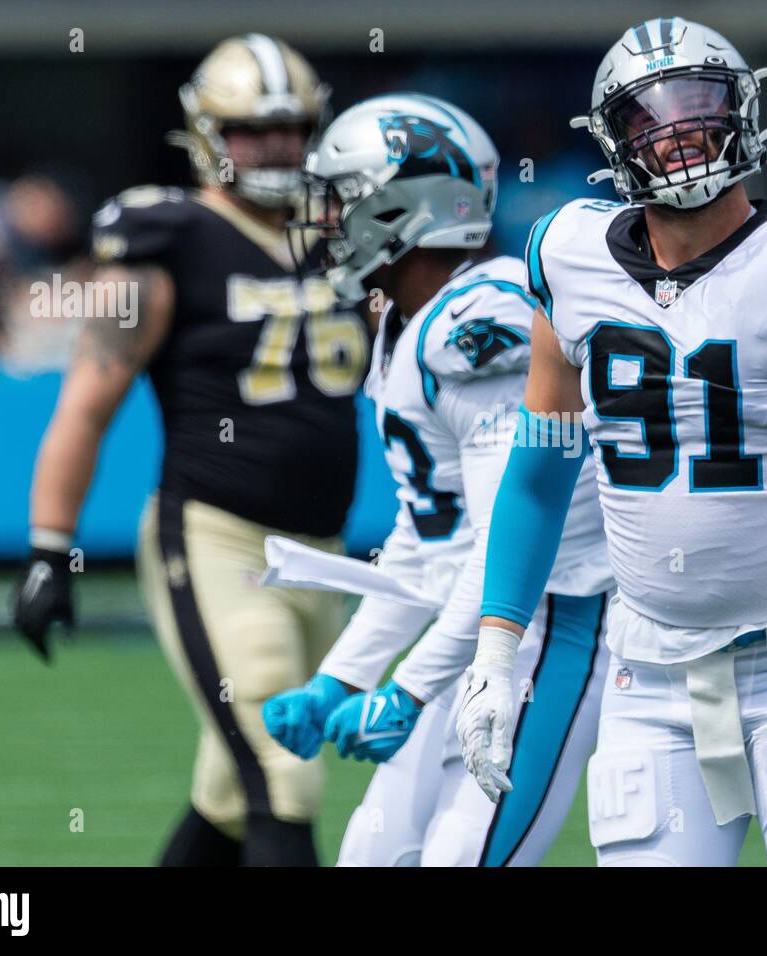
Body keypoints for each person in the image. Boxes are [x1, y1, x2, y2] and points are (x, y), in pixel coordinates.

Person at [458, 16, 767, 866]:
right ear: (612, 140)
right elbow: (539, 475)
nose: (678, 131)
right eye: (649, 116)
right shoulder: (566, 256)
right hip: (649, 672)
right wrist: (496, 651)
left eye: (700, 104)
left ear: (744, 113)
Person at [12, 34, 368, 866]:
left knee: (228, 795)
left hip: (322, 551)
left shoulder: (347, 232)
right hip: (217, 539)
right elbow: (85, 406)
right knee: (283, 770)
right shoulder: (167, 240)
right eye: (254, 131)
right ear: (209, 133)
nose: (278, 148)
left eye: (292, 129)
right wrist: (47, 549)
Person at [263, 93, 614, 866]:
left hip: (547, 626)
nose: (326, 221)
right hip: (475, 635)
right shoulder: (407, 324)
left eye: (344, 199)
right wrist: (340, 679)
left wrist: (410, 688)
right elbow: (429, 543)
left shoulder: (474, 321)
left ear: (404, 207)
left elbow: (499, 551)